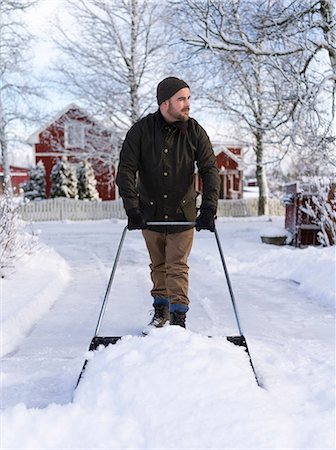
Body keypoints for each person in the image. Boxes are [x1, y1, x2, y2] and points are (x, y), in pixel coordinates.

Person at [116, 76, 220, 331]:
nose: (187, 104)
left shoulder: (195, 131)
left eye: (188, 98)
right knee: (158, 266)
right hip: (149, 213)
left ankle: (178, 319)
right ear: (165, 103)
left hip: (182, 213)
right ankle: (160, 312)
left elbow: (209, 170)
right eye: (181, 99)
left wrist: (208, 209)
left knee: (177, 266)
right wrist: (132, 208)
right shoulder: (140, 131)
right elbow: (125, 171)